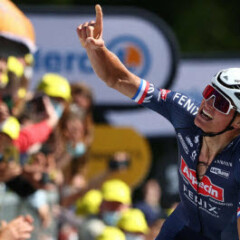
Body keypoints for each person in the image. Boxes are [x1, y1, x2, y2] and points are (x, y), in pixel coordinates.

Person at [76, 4, 240, 240]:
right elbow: (119, 78)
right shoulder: (184, 111)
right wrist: (97, 50)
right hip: (182, 227)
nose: (208, 104)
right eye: (209, 92)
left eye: (221, 104)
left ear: (237, 122)